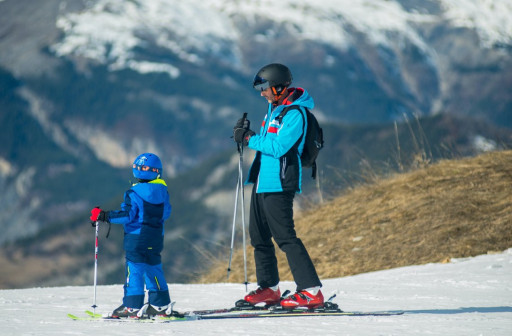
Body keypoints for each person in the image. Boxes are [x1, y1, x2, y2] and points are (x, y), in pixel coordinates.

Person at [232, 63, 323, 309]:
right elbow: (267, 143)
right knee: (259, 238)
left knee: (285, 238)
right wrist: (247, 135)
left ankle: (311, 290)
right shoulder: (274, 109)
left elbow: (278, 147)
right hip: (262, 182)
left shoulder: (295, 114)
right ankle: (269, 289)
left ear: (280, 87)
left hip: (280, 184)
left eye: (265, 89)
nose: (262, 94)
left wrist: (249, 138)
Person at [90, 153, 172, 318]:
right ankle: (160, 305)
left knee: (134, 271)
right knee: (153, 269)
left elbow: (127, 216)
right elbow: (166, 213)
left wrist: (104, 216)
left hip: (136, 239)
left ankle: (132, 307)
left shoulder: (133, 193)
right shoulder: (163, 191)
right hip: (155, 238)